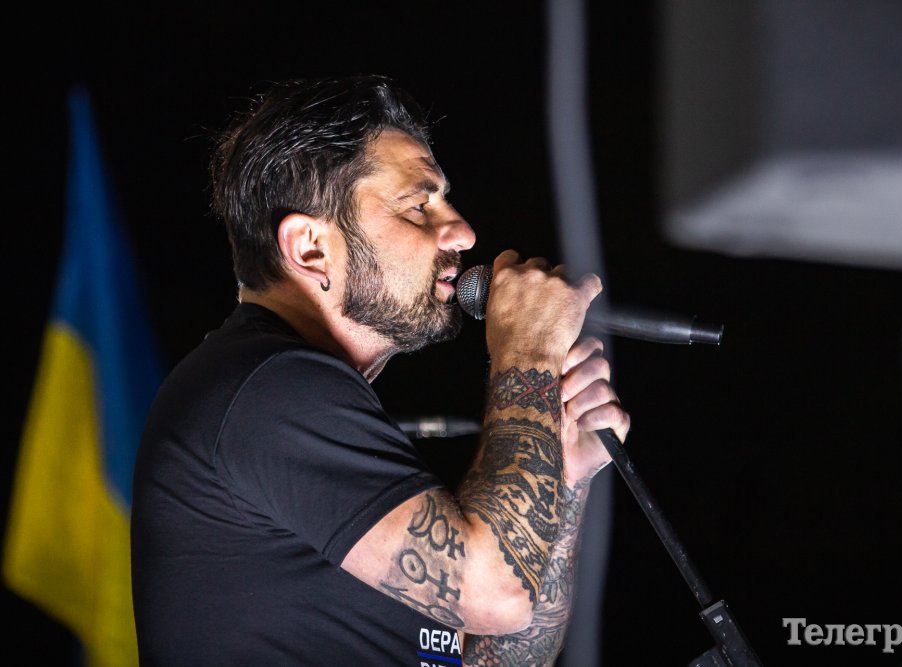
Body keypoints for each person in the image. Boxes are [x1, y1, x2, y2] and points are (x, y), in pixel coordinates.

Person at [131, 75, 629, 666]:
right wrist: (528, 353)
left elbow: (505, 655)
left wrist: (563, 475)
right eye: (419, 205)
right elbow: (494, 594)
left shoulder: (308, 405)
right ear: (311, 248)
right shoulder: (268, 389)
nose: (463, 232)